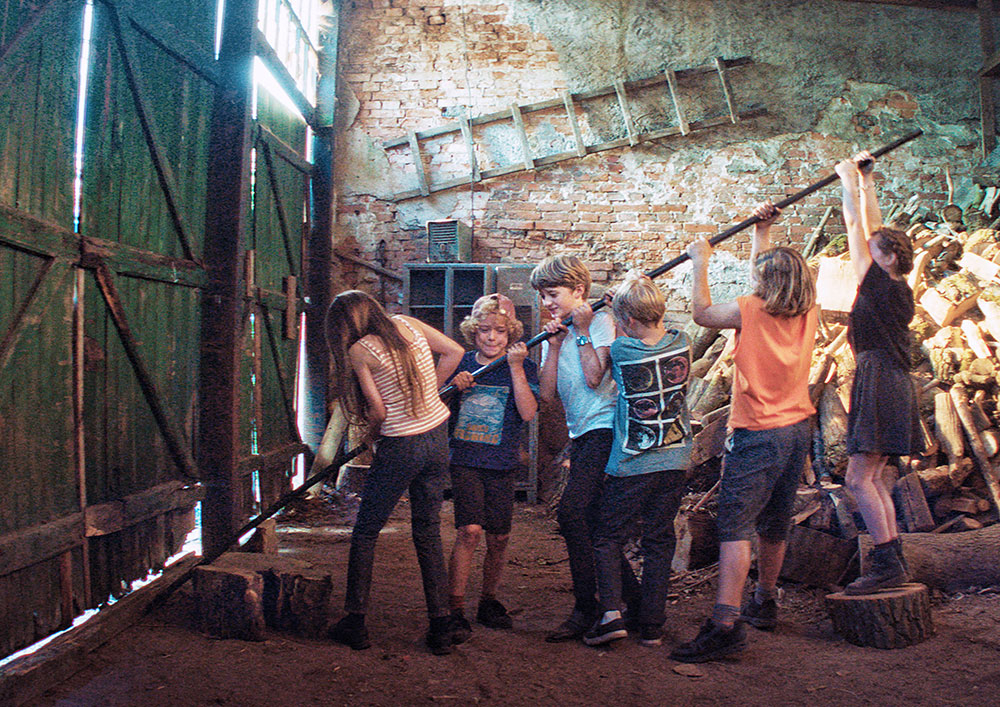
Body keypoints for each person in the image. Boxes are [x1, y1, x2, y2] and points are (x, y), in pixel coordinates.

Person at [671, 203, 818, 663]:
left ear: (767, 285)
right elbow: (766, 274)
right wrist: (764, 231)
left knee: (735, 527)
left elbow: (699, 313)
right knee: (776, 521)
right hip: (797, 428)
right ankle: (765, 601)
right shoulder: (808, 310)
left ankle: (724, 623)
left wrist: (701, 261)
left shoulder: (749, 311)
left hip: (758, 434)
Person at [325, 290, 465, 655]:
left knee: (367, 530)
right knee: (428, 530)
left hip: (401, 443)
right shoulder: (409, 324)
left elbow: (379, 413)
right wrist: (428, 392)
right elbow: (455, 352)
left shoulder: (360, 351)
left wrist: (371, 440)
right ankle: (440, 627)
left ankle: (355, 622)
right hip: (437, 437)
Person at [529, 254, 640, 642]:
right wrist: (555, 345)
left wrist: (580, 332)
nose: (547, 303)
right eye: (543, 296)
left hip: (605, 429)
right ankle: (634, 603)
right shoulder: (556, 334)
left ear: (579, 291)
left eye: (553, 294)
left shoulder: (603, 322)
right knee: (591, 522)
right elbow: (545, 395)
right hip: (582, 434)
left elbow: (595, 378)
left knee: (572, 514)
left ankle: (586, 608)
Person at [582, 271, 692, 649]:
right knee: (659, 540)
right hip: (676, 460)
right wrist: (635, 296)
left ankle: (611, 613)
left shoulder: (623, 351)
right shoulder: (684, 342)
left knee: (607, 536)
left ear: (625, 321)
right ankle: (652, 625)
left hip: (633, 463)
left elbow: (613, 344)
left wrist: (591, 323)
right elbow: (651, 326)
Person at [835, 151, 921, 594]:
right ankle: (893, 560)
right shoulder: (895, 282)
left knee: (857, 478)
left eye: (874, 251)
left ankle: (886, 563)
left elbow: (856, 227)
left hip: (881, 380)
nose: (865, 251)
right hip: (890, 380)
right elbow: (875, 231)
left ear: (886, 258)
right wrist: (867, 181)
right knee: (868, 477)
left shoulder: (880, 282)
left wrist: (847, 180)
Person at [445, 293, 539, 642]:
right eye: (484, 330)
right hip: (466, 460)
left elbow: (528, 412)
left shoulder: (523, 366)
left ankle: (488, 600)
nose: (491, 338)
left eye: (500, 331)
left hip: (502, 463)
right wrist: (453, 387)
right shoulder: (461, 363)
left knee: (498, 537)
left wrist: (515, 367)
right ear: (473, 331)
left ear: (510, 334)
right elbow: (437, 404)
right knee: (469, 531)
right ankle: (455, 607)